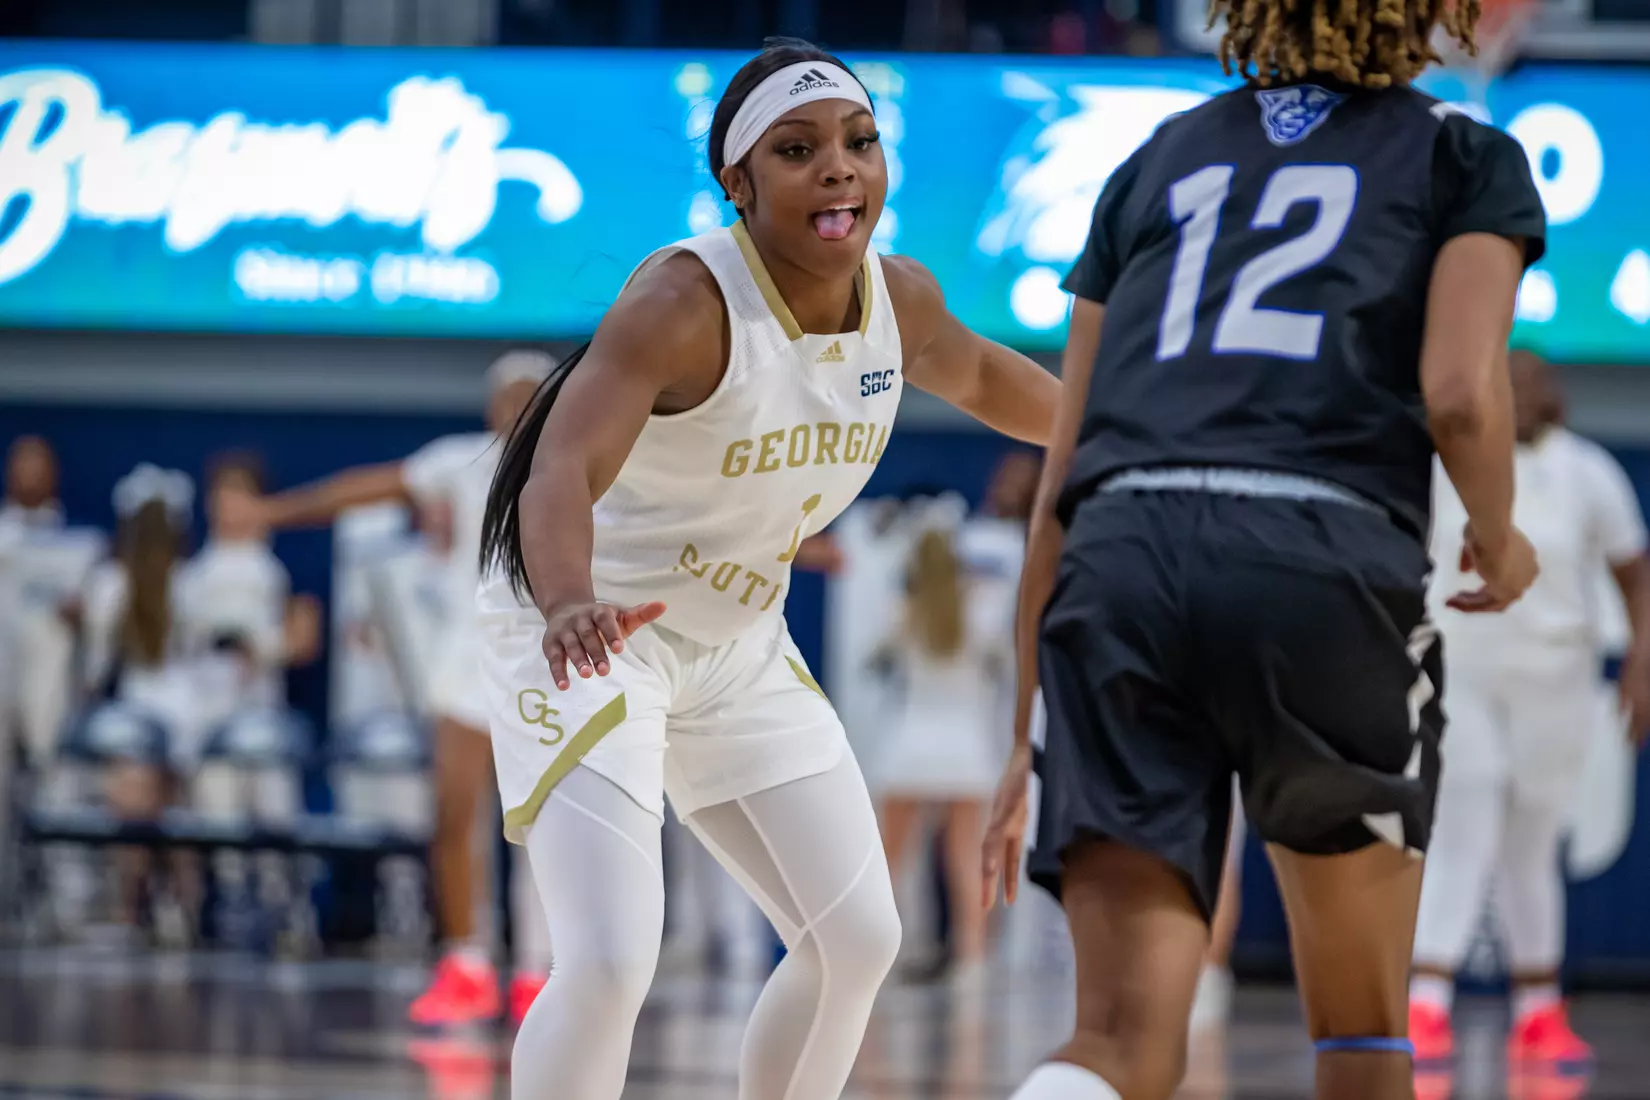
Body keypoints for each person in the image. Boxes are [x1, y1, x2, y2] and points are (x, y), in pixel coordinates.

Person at [980, 1, 1549, 1097]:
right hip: (1318, 553)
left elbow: (1064, 467)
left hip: (1124, 553)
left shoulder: (1157, 158)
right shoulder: (1462, 151)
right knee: (1360, 1030)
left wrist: (1023, 726)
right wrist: (1499, 531)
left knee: (1115, 1038)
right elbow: (1462, 395)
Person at [477, 38, 1059, 1100]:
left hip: (737, 643)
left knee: (857, 938)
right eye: (798, 150)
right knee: (610, 959)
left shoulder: (903, 302)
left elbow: (988, 377)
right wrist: (567, 601)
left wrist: (1139, 433)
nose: (839, 167)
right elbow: (556, 468)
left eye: (859, 142)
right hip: (591, 627)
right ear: (737, 186)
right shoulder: (683, 303)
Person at [249, 352, 556, 1026]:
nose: (517, 406)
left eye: (531, 394)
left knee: (541, 830)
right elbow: (366, 487)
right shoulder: (459, 459)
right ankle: (467, 967)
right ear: (490, 407)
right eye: (507, 396)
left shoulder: (580, 459)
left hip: (548, 664)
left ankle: (537, 976)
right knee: (453, 817)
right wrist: (276, 511)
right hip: (469, 660)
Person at [1409, 350, 1650, 1065]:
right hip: (1462, 670)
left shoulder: (1589, 470)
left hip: (1557, 676)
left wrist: (1641, 662)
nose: (1521, 390)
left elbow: (1635, 573)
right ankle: (1427, 1003)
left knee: (1534, 843)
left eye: (1533, 380)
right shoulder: (1442, 462)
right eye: (1506, 380)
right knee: (1462, 827)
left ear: (1556, 395)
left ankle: (1539, 1010)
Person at [876, 522, 1010, 987]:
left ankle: (872, 953)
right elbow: (1004, 659)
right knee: (966, 859)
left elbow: (880, 654)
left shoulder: (903, 610)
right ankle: (972, 961)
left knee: (887, 860)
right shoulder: (980, 612)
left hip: (911, 742)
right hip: (965, 747)